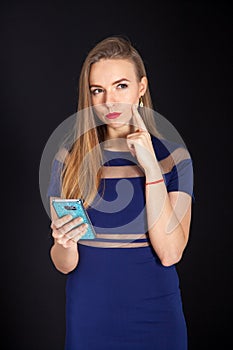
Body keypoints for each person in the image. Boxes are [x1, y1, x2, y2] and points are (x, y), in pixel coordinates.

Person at [47, 35, 194, 350]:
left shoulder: (173, 157)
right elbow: (64, 264)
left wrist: (150, 167)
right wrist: (64, 244)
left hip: (156, 317)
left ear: (141, 87)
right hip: (89, 317)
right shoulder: (69, 157)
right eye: (98, 90)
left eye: (121, 86)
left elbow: (170, 253)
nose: (109, 101)